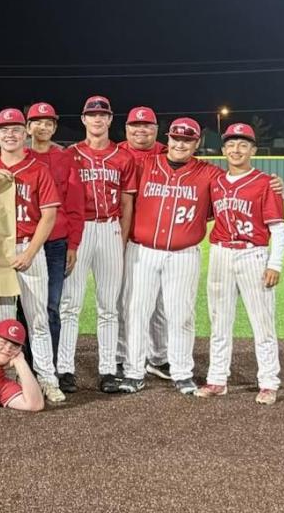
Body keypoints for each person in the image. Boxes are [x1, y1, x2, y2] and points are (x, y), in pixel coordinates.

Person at [119, 118, 220, 395]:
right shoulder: (145, 165)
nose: (180, 144)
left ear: (196, 143)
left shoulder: (209, 173)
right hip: (142, 251)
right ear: (168, 139)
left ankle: (182, 372)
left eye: (187, 140)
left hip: (183, 255)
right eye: (176, 138)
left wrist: (272, 182)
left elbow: (236, 185)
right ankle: (133, 371)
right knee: (136, 312)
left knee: (181, 315)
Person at [0, 108, 64, 403]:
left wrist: (30, 252)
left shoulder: (38, 168)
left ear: (25, 132)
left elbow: (49, 216)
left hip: (28, 246)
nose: (9, 134)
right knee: (0, 323)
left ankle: (47, 379)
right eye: (3, 129)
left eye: (15, 129)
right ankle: (5, 380)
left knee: (38, 320)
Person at [196, 123, 284, 405]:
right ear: (223, 150)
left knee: (263, 323)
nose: (236, 149)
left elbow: (279, 229)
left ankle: (269, 382)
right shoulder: (216, 181)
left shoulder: (265, 183)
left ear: (253, 150)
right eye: (231, 145)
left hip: (253, 254)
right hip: (220, 253)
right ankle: (217, 379)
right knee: (219, 321)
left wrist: (276, 264)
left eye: (243, 144)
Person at [55, 96, 136, 394]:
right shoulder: (70, 155)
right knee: (70, 304)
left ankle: (107, 369)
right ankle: (64, 368)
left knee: (108, 306)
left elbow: (127, 203)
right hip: (81, 230)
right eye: (92, 115)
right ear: (84, 119)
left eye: (103, 115)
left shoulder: (123, 157)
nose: (97, 119)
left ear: (110, 119)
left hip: (110, 228)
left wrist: (122, 239)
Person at [24, 101, 84, 385]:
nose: (43, 126)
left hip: (56, 241)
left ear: (54, 127)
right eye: (37, 121)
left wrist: (73, 244)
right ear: (28, 127)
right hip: (23, 240)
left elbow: (75, 204)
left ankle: (53, 368)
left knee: (50, 306)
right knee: (21, 307)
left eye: (49, 122)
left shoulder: (65, 158)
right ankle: (25, 367)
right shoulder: (17, 156)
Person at [116, 106, 173, 381]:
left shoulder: (169, 153)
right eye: (135, 125)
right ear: (126, 129)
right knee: (122, 301)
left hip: (158, 239)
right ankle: (120, 355)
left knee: (160, 303)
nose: (141, 130)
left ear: (156, 128)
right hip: (123, 237)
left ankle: (159, 357)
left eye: (147, 125)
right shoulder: (116, 153)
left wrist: (271, 181)